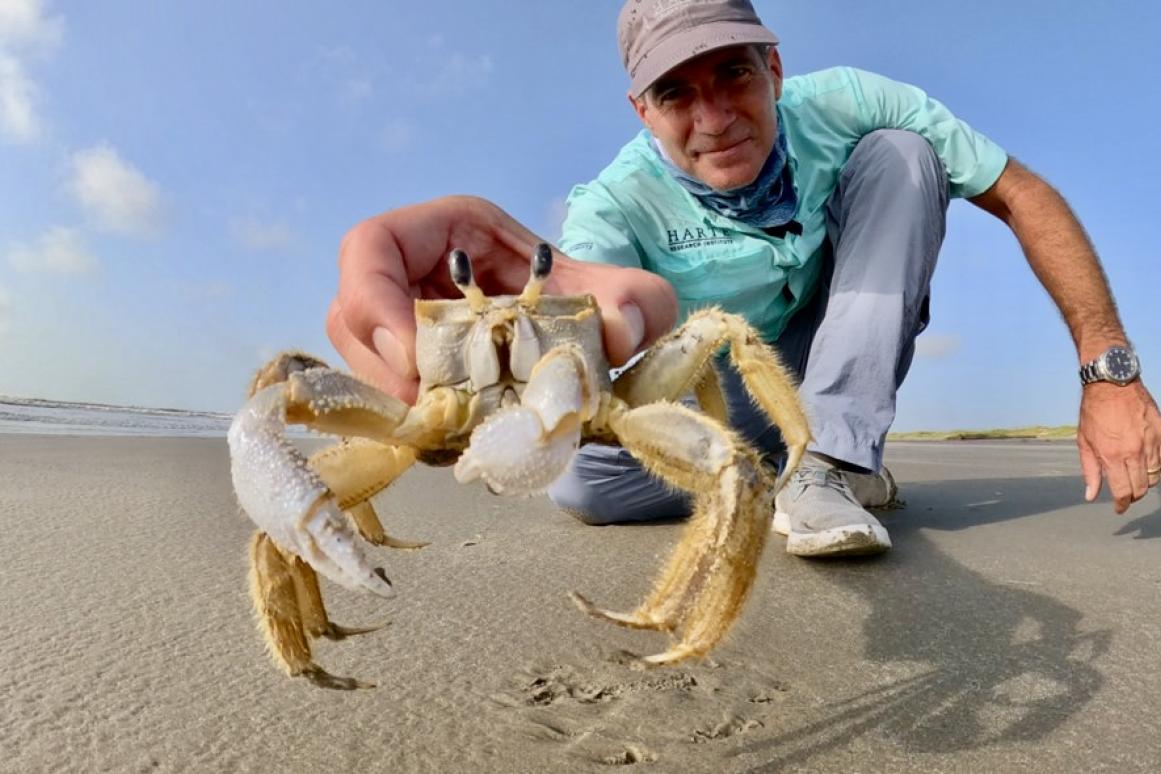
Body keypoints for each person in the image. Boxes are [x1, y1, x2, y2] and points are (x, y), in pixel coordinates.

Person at [328, 1, 1161, 557]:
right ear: (640, 112)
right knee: (582, 484)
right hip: (706, 391)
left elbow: (1021, 192)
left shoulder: (851, 102)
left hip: (826, 352)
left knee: (904, 157)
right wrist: (476, 376)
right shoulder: (614, 205)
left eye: (733, 73)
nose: (715, 117)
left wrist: (1108, 370)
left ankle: (831, 457)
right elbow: (583, 301)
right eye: (675, 93)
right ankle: (787, 471)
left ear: (774, 67)